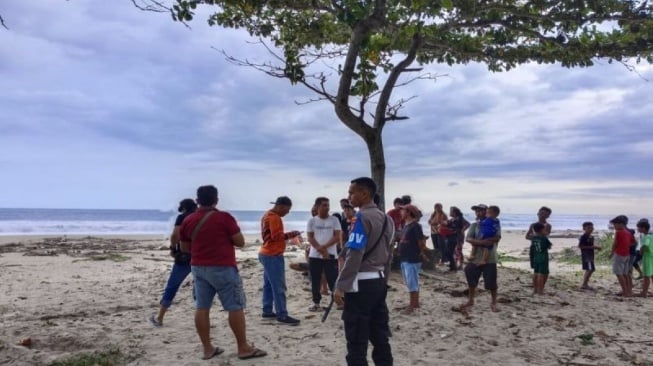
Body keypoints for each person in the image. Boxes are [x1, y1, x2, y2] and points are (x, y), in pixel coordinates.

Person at [178, 185, 266, 360]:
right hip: (223, 267)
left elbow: (185, 248)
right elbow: (240, 242)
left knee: (202, 307)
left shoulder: (188, 220)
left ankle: (207, 348)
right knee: (234, 306)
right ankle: (243, 347)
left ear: (197, 200)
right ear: (216, 200)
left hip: (198, 268)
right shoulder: (224, 218)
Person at [334, 177, 394, 366]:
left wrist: (340, 286)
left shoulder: (361, 217)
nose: (349, 196)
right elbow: (389, 253)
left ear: (365, 194)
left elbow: (355, 254)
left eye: (352, 192)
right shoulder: (386, 218)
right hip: (378, 280)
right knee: (380, 336)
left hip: (361, 283)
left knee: (356, 339)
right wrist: (385, 280)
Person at [150, 198, 197, 327]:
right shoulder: (200, 216)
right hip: (201, 255)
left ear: (183, 208)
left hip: (185, 256)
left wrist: (172, 248)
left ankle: (160, 317)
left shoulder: (182, 217)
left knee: (172, 285)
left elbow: (175, 235)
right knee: (199, 286)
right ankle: (202, 317)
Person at [259, 196, 302, 325]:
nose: (287, 213)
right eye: (287, 210)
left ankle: (267, 310)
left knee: (268, 285)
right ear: (281, 206)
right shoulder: (274, 217)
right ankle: (282, 314)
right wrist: (291, 234)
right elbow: (276, 236)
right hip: (272, 255)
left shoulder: (267, 215)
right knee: (279, 286)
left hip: (265, 253)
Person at [460, 204, 501, 313]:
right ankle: (471, 300)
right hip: (475, 257)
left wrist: (483, 241)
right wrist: (481, 242)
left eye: (480, 211)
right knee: (470, 275)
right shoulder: (475, 225)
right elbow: (468, 238)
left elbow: (497, 237)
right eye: (476, 211)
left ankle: (494, 302)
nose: (477, 213)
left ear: (486, 212)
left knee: (491, 282)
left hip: (490, 258)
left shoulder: (494, 223)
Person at [306, 197, 341, 311]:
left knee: (333, 279)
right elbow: (310, 237)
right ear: (317, 207)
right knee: (315, 280)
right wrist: (320, 249)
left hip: (331, 255)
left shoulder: (334, 220)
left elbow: (337, 236)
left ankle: (338, 301)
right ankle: (316, 302)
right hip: (315, 255)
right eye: (324, 205)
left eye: (328, 205)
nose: (327, 207)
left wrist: (325, 248)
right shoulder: (312, 221)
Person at [398, 204, 427, 315]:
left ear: (409, 213)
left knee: (412, 282)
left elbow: (421, 242)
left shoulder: (416, 226)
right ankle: (415, 303)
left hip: (412, 258)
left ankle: (412, 305)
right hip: (405, 257)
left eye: (403, 211)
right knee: (410, 281)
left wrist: (422, 253)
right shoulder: (406, 225)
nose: (401, 213)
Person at [610, 215, 636, 297]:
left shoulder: (618, 232)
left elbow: (615, 244)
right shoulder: (628, 233)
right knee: (625, 274)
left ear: (621, 224)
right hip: (627, 254)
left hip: (619, 254)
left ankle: (625, 291)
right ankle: (629, 291)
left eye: (615, 224)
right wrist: (626, 245)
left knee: (619, 274)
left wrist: (611, 252)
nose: (614, 226)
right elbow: (634, 242)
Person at [526, 207, 552, 289]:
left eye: (545, 213)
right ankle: (536, 288)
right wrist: (535, 238)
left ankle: (541, 287)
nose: (542, 215)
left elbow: (545, 234)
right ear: (538, 213)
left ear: (548, 216)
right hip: (534, 248)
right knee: (536, 270)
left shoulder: (547, 225)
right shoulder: (533, 225)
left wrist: (535, 237)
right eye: (541, 213)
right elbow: (527, 236)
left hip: (542, 249)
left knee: (544, 271)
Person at [530, 223, 552, 295]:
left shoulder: (533, 238)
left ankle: (535, 289)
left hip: (536, 257)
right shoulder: (544, 238)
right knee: (541, 274)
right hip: (543, 257)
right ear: (542, 230)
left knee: (536, 273)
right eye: (544, 229)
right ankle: (540, 290)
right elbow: (549, 246)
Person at [579, 221, 601, 290]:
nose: (591, 229)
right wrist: (593, 247)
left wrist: (595, 247)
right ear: (584, 228)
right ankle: (584, 284)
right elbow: (581, 246)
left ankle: (585, 283)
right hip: (586, 256)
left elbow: (590, 245)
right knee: (590, 269)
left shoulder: (591, 237)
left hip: (590, 255)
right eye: (588, 228)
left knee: (590, 269)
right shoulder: (583, 237)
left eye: (592, 228)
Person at [636, 219, 652, 297]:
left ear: (643, 228)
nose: (637, 229)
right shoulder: (651, 235)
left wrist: (641, 252)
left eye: (639, 228)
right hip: (651, 256)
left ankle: (644, 292)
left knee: (646, 276)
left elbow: (645, 245)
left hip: (648, 257)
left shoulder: (647, 236)